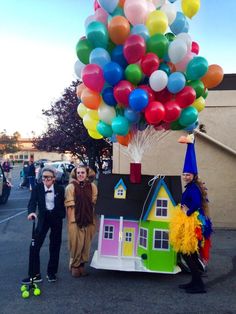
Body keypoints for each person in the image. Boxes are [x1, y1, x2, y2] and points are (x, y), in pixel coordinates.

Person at [170, 137, 212, 294]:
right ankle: (194, 282)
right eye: (184, 174)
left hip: (192, 225)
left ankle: (199, 285)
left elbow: (196, 204)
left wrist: (186, 211)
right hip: (190, 223)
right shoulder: (191, 186)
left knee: (189, 255)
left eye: (188, 174)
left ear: (194, 176)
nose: (185, 176)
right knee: (189, 255)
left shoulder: (193, 188)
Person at [21, 167, 65, 284]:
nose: (45, 179)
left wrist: (61, 214)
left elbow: (64, 203)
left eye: (48, 177)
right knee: (34, 246)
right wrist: (31, 212)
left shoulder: (60, 189)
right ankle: (35, 275)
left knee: (55, 246)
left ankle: (51, 273)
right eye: (44, 177)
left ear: (54, 179)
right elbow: (32, 202)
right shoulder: (37, 188)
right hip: (43, 218)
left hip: (56, 219)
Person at [64, 164, 98, 277]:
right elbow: (69, 206)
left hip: (88, 218)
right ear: (75, 174)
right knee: (75, 244)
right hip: (75, 219)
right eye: (78, 173)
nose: (80, 175)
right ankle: (75, 265)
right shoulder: (70, 187)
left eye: (82, 172)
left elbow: (94, 202)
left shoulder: (92, 186)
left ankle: (82, 265)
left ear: (87, 174)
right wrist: (70, 222)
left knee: (86, 244)